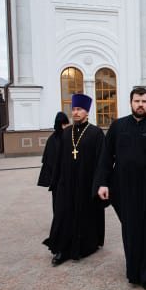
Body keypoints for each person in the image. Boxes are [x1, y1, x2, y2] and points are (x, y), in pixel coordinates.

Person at [95, 87, 146, 290]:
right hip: (123, 187)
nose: (140, 105)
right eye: (137, 101)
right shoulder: (117, 127)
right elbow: (105, 157)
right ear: (130, 103)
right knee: (130, 229)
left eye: (144, 101)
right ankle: (133, 271)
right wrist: (102, 183)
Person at [43, 94, 106, 266]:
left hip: (86, 183)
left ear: (87, 112)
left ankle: (85, 246)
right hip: (66, 184)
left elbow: (102, 161)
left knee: (85, 215)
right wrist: (55, 182)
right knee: (63, 215)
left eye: (80, 110)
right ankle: (61, 249)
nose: (76, 113)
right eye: (74, 109)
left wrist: (100, 183)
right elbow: (58, 160)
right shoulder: (66, 133)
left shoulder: (96, 133)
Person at [37, 111, 70, 214]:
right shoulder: (54, 140)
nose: (66, 126)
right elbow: (49, 161)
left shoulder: (65, 137)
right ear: (60, 125)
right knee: (58, 202)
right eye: (64, 124)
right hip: (58, 178)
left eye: (67, 124)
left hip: (66, 177)